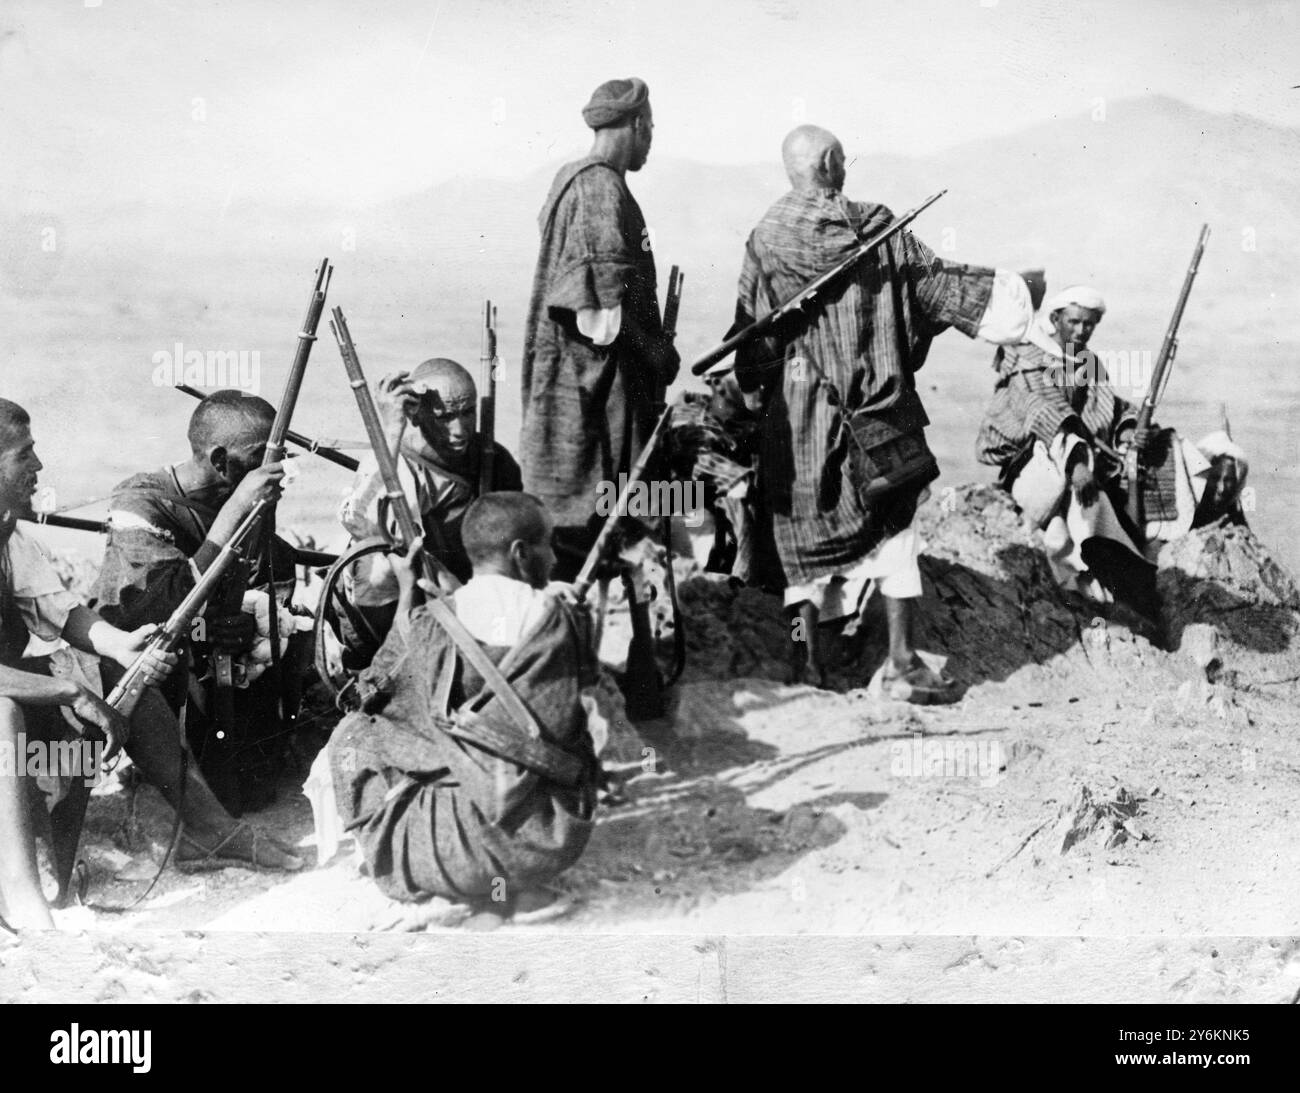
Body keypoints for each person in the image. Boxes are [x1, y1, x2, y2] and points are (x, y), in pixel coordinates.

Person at [730, 124, 1042, 696]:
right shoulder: (878, 228)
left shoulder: (766, 238)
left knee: (803, 547)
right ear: (828, 162)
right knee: (894, 535)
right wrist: (1009, 293)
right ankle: (900, 660)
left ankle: (806, 666)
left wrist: (754, 388)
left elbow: (751, 335)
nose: (846, 170)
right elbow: (938, 288)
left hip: (799, 423)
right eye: (843, 160)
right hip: (878, 414)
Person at [0, 399, 302, 931]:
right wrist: (68, 693)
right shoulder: (141, 500)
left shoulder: (11, 538)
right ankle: (20, 894)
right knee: (5, 714)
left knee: (118, 674)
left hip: (14, 689)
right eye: (25, 455)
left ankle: (210, 829)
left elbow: (62, 612)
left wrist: (118, 646)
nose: (40, 467)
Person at [326, 492, 603, 919]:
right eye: (548, 544)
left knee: (353, 737)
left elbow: (378, 687)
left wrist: (408, 595)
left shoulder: (431, 621)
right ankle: (516, 891)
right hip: (541, 839)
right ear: (521, 553)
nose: (553, 557)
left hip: (439, 851)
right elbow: (580, 696)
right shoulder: (563, 618)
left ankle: (457, 894)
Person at [519, 77, 682, 716]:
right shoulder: (597, 188)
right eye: (651, 128)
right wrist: (657, 351)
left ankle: (604, 680)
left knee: (599, 530)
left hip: (583, 392)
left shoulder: (575, 180)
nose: (651, 142)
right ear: (636, 123)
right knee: (605, 528)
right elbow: (598, 316)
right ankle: (585, 691)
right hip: (589, 399)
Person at [91, 390, 309, 815]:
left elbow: (270, 588)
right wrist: (236, 512)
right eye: (259, 458)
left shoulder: (254, 511)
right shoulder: (139, 502)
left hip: (219, 662)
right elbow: (159, 609)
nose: (273, 472)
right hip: (147, 659)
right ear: (221, 460)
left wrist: (246, 621)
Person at [976, 285, 1248, 617]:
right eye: (1074, 322)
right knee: (1090, 503)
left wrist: (1131, 427)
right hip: (1038, 462)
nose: (1081, 330)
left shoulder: (1086, 361)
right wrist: (1077, 466)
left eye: (1089, 324)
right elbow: (1044, 414)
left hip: (1085, 455)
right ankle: (1092, 580)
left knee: (1170, 446)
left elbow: (1113, 406)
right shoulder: (1027, 357)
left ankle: (1171, 532)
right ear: (1055, 319)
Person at [334, 358, 522, 662]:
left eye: (467, 413)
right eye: (444, 417)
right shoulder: (399, 458)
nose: (459, 429)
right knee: (377, 569)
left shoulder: (493, 459)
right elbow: (358, 520)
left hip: (464, 584)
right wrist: (391, 428)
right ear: (417, 416)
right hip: (408, 584)